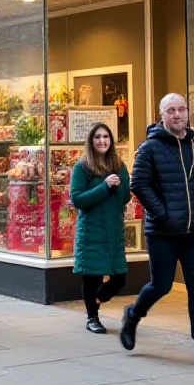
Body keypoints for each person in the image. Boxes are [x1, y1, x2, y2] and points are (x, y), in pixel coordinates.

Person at [120, 92, 194, 370]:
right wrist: (163, 215)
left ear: (187, 113)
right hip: (164, 233)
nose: (177, 115)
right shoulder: (150, 148)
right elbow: (139, 184)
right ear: (162, 115)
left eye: (181, 109)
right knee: (162, 285)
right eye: (171, 110)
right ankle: (133, 315)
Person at [70, 122, 131, 334]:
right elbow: (77, 199)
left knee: (119, 279)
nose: (102, 141)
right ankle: (92, 317)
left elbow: (125, 198)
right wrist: (104, 186)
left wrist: (119, 186)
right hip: (92, 230)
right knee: (92, 276)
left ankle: (95, 302)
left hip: (114, 231)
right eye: (97, 137)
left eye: (106, 137)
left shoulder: (119, 166)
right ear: (91, 141)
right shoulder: (82, 167)